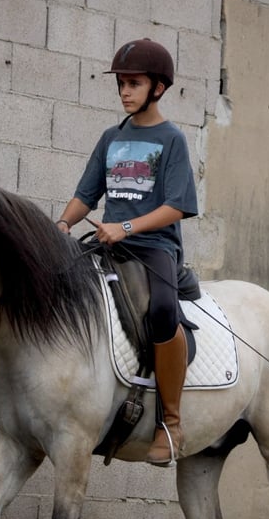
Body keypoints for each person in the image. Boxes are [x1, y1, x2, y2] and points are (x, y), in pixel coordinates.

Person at [56, 38, 198, 465]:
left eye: (133, 83)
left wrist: (126, 227)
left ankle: (170, 423)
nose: (124, 91)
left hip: (154, 248)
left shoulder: (172, 140)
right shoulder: (111, 138)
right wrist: (62, 225)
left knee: (162, 311)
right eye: (121, 84)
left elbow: (177, 206)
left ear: (158, 88)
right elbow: (86, 195)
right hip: (108, 244)